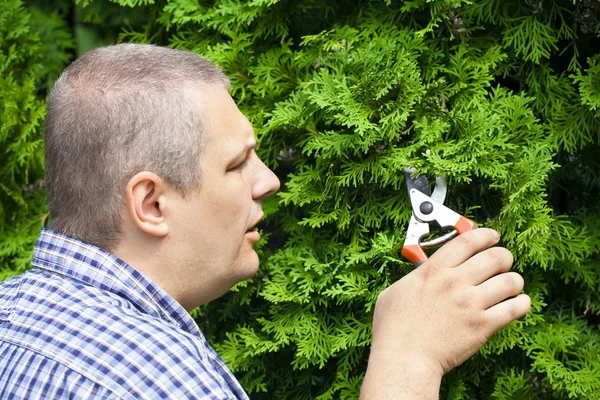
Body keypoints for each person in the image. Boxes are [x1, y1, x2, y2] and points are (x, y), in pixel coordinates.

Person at [0, 44, 530, 399]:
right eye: (237, 164)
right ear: (152, 204)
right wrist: (408, 360)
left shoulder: (11, 313)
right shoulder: (160, 382)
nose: (270, 180)